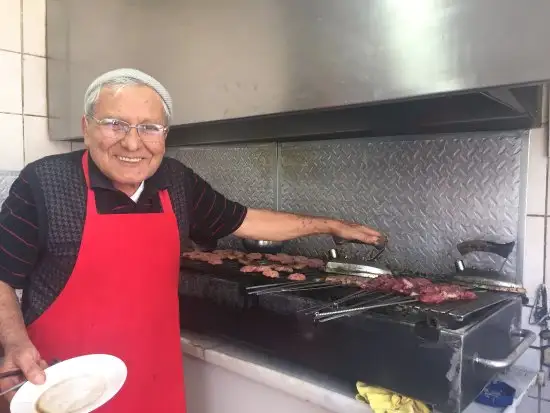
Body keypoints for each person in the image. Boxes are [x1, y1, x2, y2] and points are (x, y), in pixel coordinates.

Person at [0, 68, 385, 412]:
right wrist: (14, 345)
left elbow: (245, 220)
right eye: (115, 124)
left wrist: (328, 225)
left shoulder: (176, 181)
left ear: (164, 135)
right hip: (62, 390)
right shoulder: (43, 184)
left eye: (149, 128)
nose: (133, 144)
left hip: (154, 383)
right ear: (86, 127)